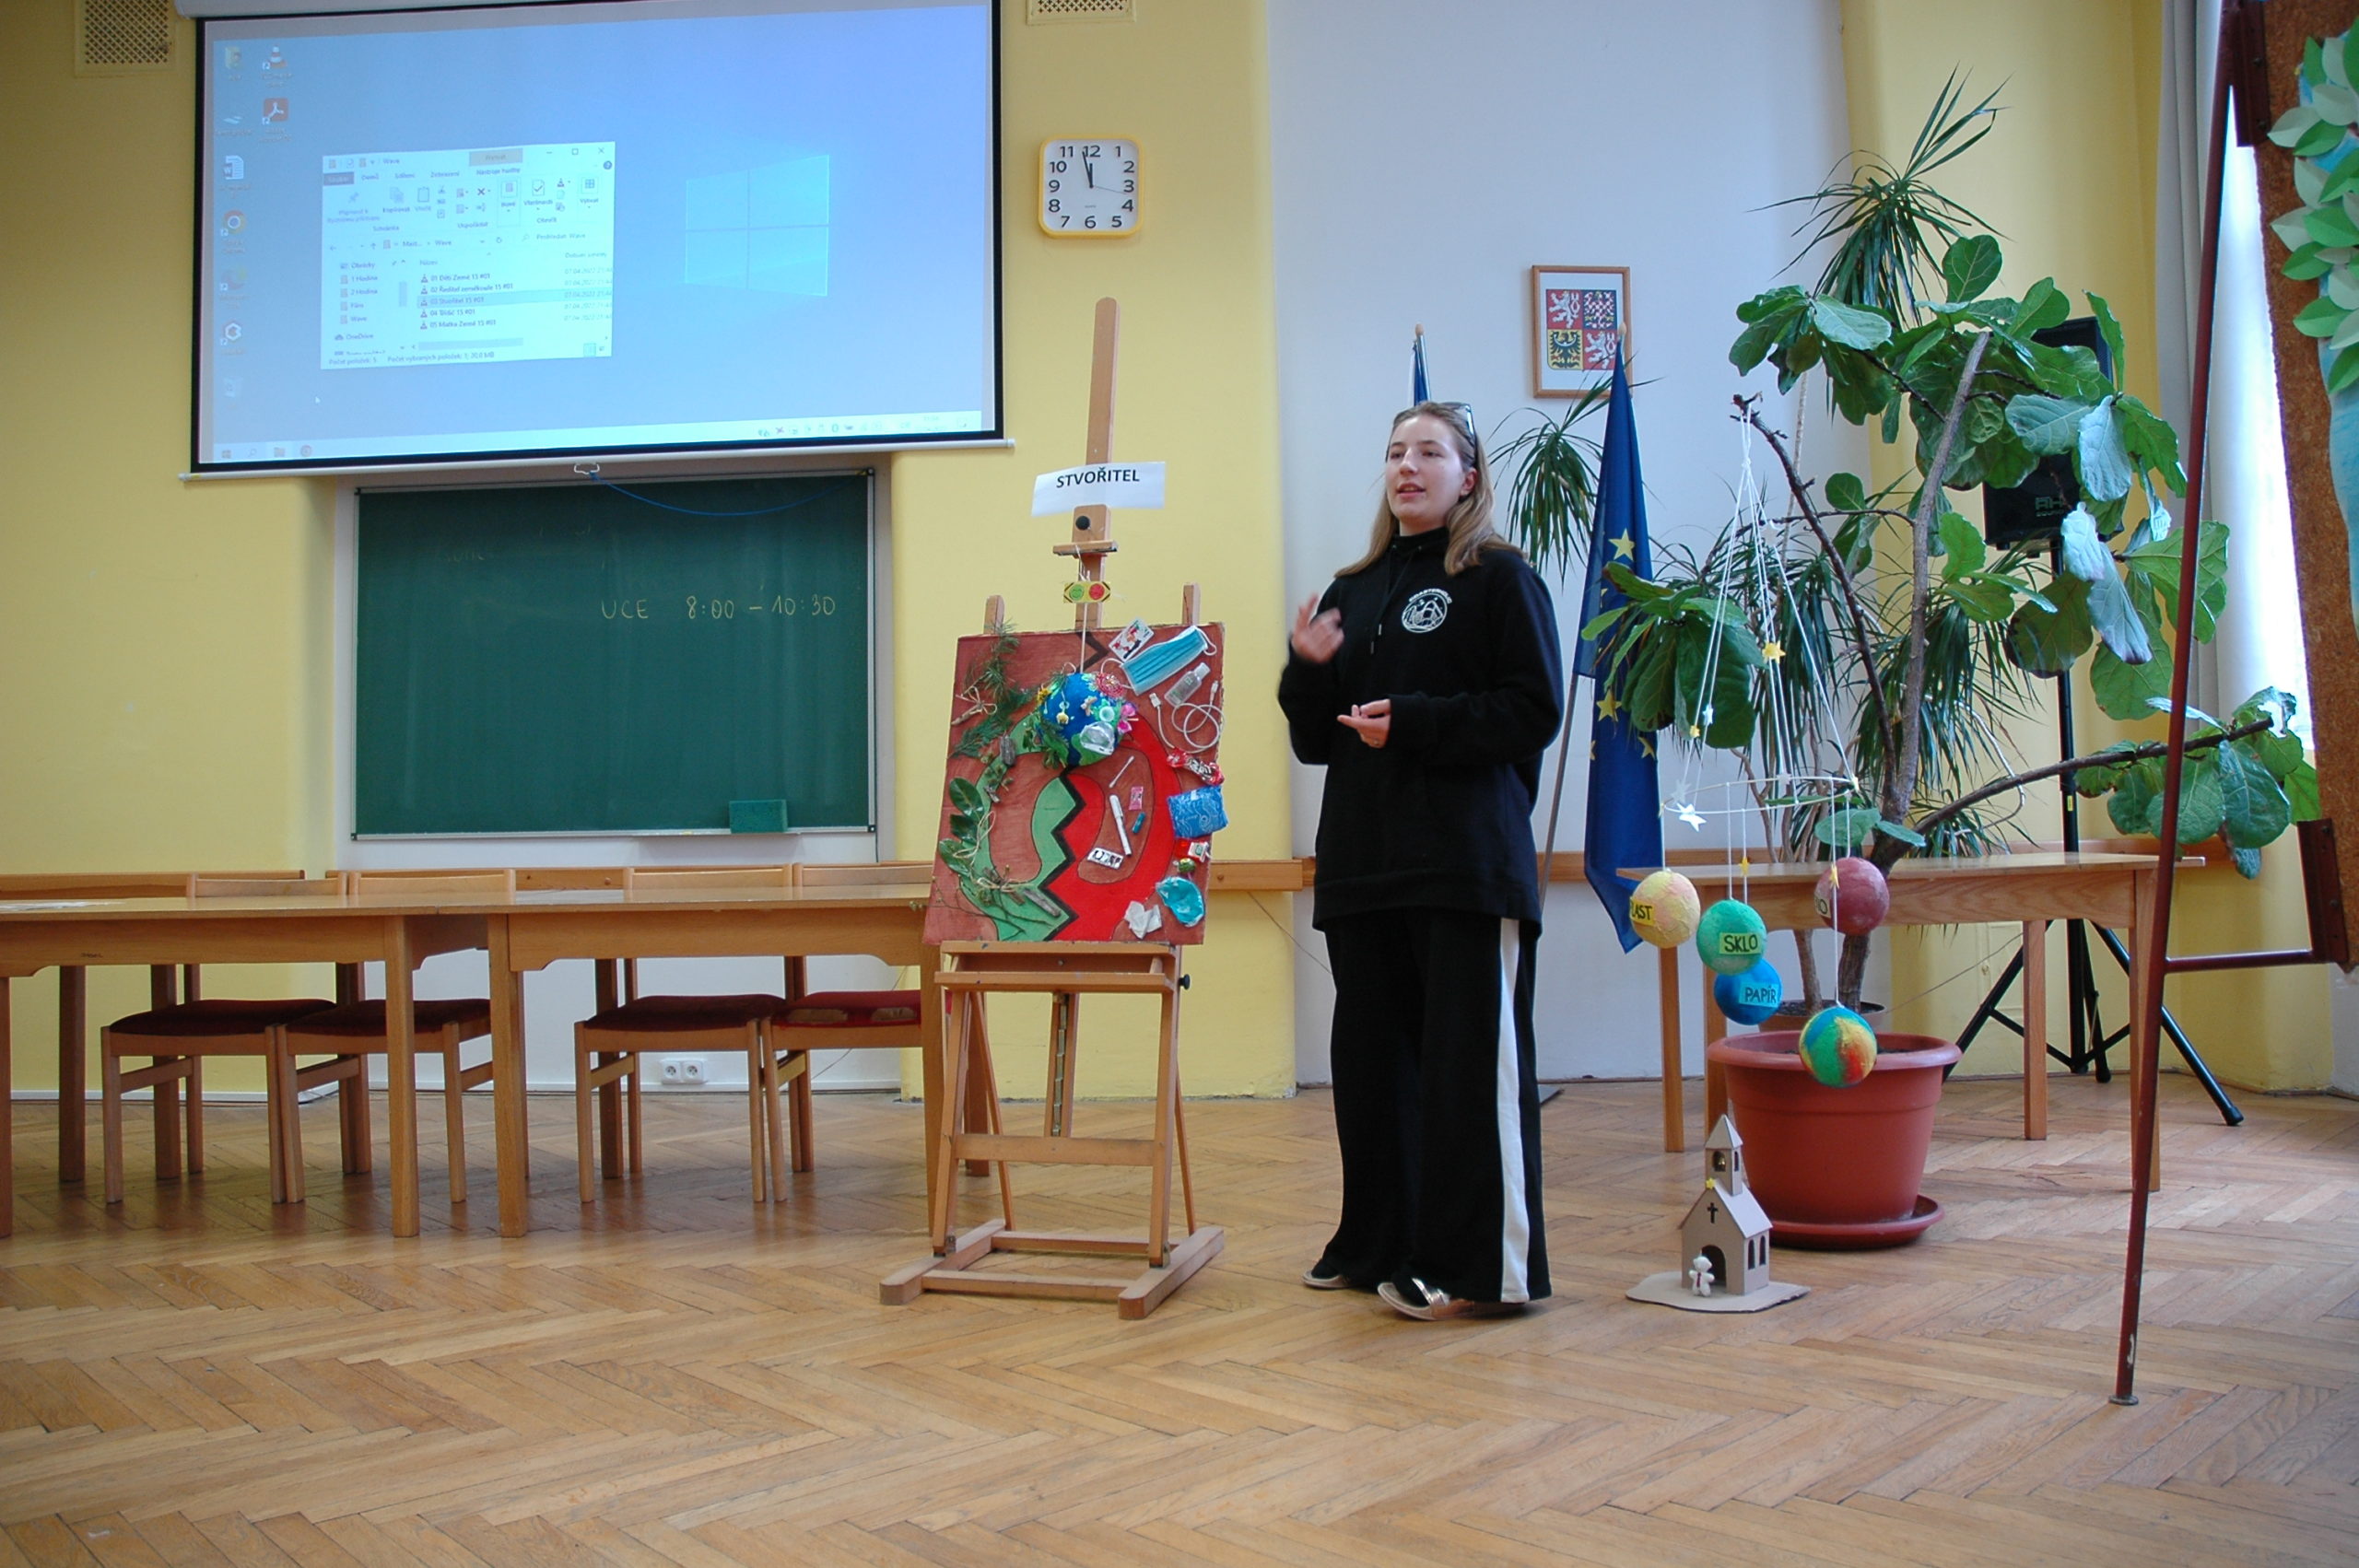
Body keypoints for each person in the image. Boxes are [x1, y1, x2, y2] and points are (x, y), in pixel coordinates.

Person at [1277, 400, 1563, 1321]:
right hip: (1364, 866)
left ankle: (1478, 1267)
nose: (1407, 465)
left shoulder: (1498, 576)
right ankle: (1377, 1244)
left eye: (1430, 452)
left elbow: (1533, 709)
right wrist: (1308, 668)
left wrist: (1417, 721)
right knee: (1372, 1074)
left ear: (1468, 476)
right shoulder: (1352, 587)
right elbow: (1316, 742)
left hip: (1464, 865)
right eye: (1396, 451)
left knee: (1466, 1075)